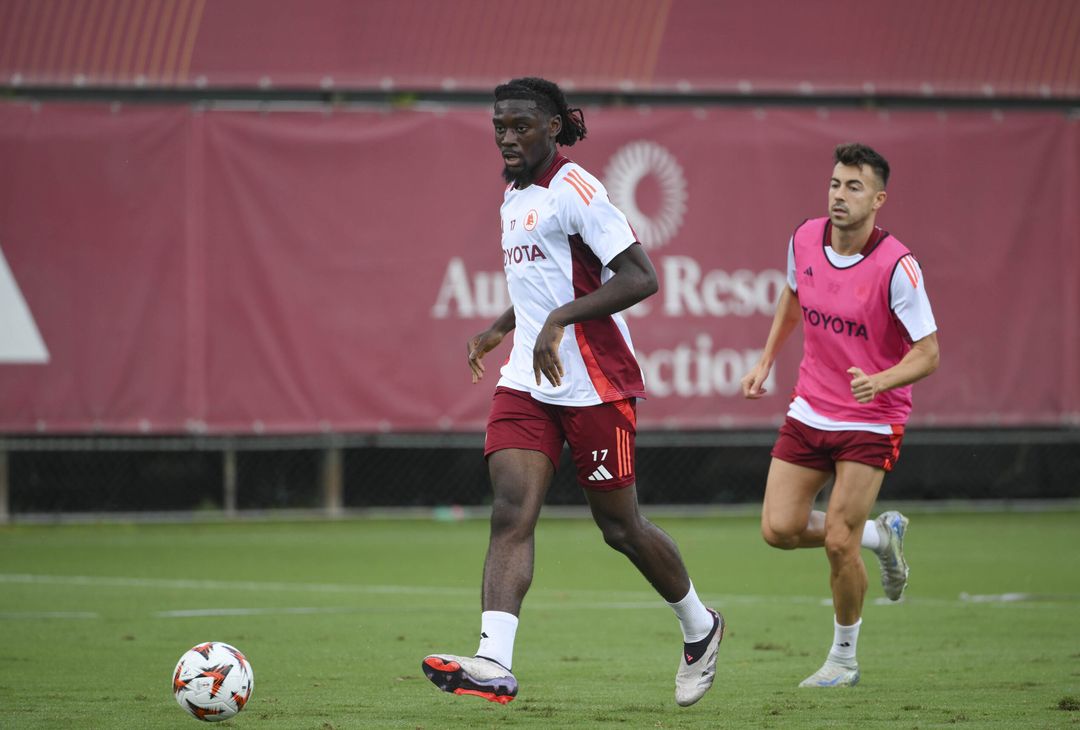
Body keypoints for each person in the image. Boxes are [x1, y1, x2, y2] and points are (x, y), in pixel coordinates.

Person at [422, 77, 723, 707]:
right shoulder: (513, 194)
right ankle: (493, 662)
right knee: (511, 510)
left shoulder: (577, 190)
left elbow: (641, 277)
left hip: (595, 384)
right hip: (528, 382)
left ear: (553, 127)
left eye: (521, 126)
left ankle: (700, 626)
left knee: (620, 528)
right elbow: (544, 282)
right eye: (500, 126)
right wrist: (501, 328)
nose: (507, 137)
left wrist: (559, 321)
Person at [740, 143, 939, 688]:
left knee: (836, 541)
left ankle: (843, 661)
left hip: (872, 418)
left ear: (878, 200)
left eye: (854, 187)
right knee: (778, 529)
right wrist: (766, 361)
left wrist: (881, 380)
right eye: (835, 184)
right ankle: (882, 536)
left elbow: (928, 353)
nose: (840, 195)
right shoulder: (804, 238)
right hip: (811, 406)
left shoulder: (897, 266)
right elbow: (793, 295)